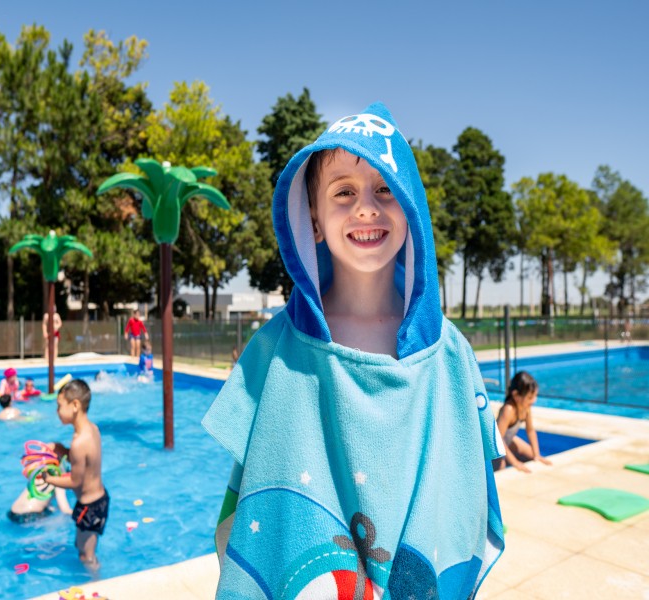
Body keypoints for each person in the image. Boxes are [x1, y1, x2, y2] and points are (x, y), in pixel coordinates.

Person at [201, 103, 505, 598]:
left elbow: (462, 490)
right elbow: (261, 505)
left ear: (411, 210)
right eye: (343, 191)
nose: (366, 207)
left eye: (385, 188)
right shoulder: (277, 350)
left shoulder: (449, 356)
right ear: (313, 219)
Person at [38, 379, 108, 569]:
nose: (57, 411)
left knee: (87, 555)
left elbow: (76, 481)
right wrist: (63, 450)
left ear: (75, 405)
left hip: (90, 506)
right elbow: (85, 463)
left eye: (60, 406)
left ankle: (96, 587)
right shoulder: (92, 429)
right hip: (98, 500)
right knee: (80, 546)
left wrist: (48, 479)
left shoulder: (79, 442)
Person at [494, 371, 552, 473]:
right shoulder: (508, 410)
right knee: (500, 469)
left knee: (533, 457)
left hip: (509, 442)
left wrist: (536, 454)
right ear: (516, 395)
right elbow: (498, 440)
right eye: (530, 397)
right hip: (495, 448)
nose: (534, 400)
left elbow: (530, 430)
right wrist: (515, 462)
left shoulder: (526, 407)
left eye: (535, 396)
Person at [8, 442, 73, 523]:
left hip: (13, 512)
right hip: (30, 516)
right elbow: (64, 509)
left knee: (50, 508)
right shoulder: (58, 481)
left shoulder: (37, 475)